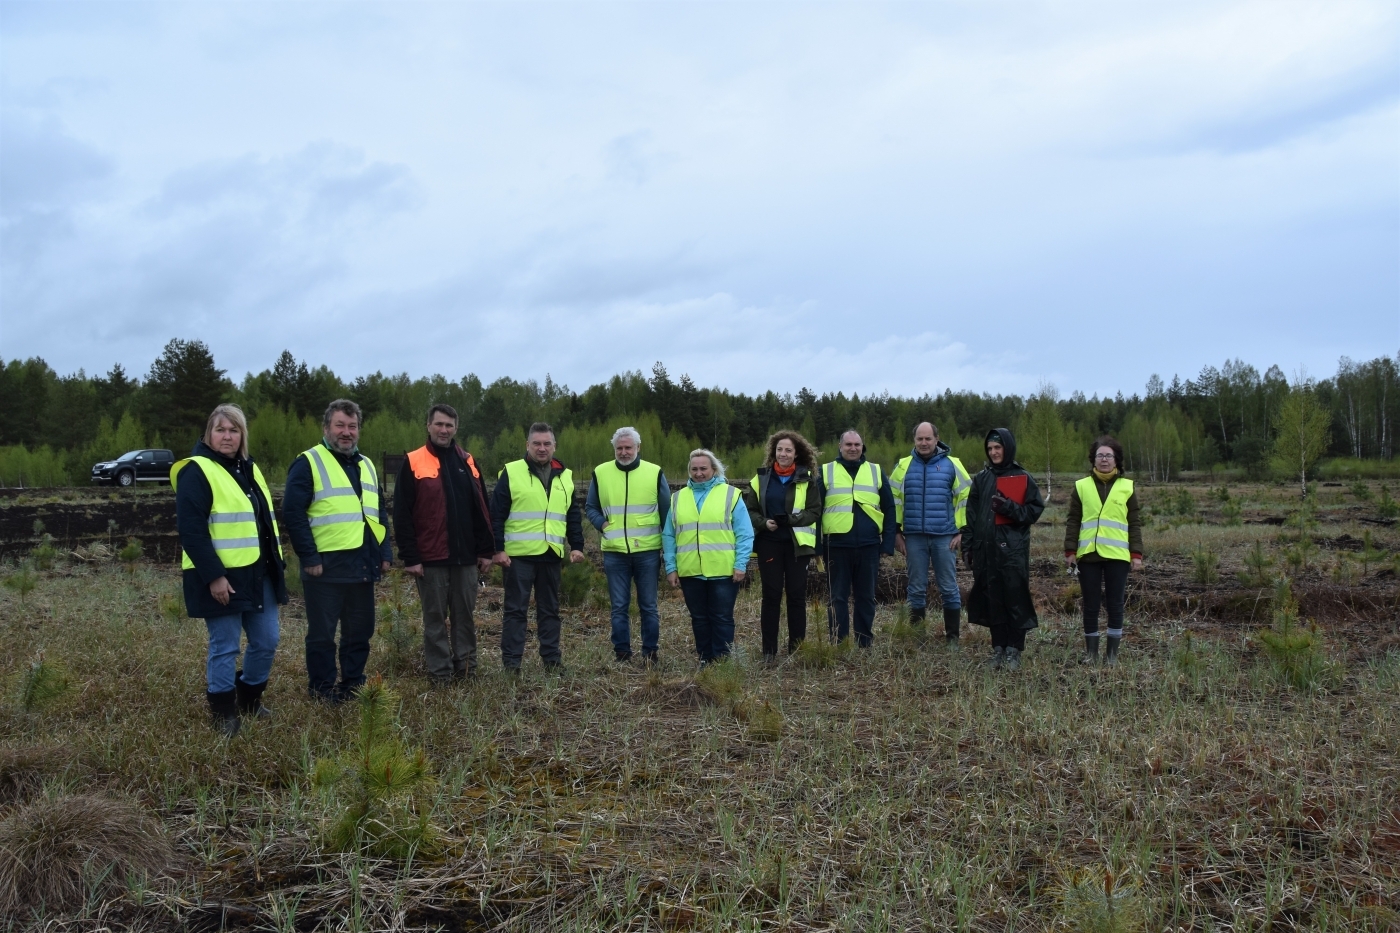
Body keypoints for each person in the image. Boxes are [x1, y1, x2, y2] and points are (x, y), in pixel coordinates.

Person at [173, 404, 286, 736]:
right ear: (209, 433)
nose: (227, 436)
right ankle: (223, 712)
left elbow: (262, 524)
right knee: (225, 645)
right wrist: (215, 576)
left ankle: (249, 698)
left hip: (257, 573)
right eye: (221, 429)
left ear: (242, 436)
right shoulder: (196, 471)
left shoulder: (248, 468)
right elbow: (192, 531)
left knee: (267, 640)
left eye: (234, 430)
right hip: (221, 577)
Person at [283, 399, 394, 703]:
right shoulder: (308, 462)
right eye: (340, 426)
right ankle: (322, 689)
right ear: (326, 428)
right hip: (326, 568)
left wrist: (384, 552)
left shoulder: (366, 464)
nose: (347, 432)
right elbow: (293, 513)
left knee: (360, 632)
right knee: (322, 635)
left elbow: (377, 513)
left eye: (352, 426)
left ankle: (353, 683)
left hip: (362, 565)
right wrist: (309, 557)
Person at [393, 404, 495, 684]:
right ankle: (440, 674)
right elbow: (402, 514)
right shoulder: (413, 461)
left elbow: (482, 508)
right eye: (439, 424)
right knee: (435, 620)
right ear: (428, 426)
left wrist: (486, 551)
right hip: (431, 559)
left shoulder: (468, 461)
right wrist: (410, 557)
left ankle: (466, 670)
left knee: (465, 618)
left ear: (456, 428)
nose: (444, 430)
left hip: (465, 559)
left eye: (449, 425)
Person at [490, 422, 586, 673]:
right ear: (527, 445)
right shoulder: (511, 472)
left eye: (546, 443)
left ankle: (552, 661)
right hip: (518, 557)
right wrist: (497, 549)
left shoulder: (565, 476)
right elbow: (496, 515)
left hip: (551, 554)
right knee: (515, 611)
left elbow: (572, 514)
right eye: (536, 443)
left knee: (550, 611)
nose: (542, 448)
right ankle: (512, 665)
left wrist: (576, 545)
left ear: (555, 446)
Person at [585, 426, 670, 664]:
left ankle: (650, 652)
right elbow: (590, 506)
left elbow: (666, 513)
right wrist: (602, 525)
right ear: (614, 449)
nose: (623, 452)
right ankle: (622, 653)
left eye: (628, 448)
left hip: (648, 552)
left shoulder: (654, 473)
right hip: (615, 553)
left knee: (649, 606)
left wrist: (669, 548)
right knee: (619, 606)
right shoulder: (600, 472)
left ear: (638, 448)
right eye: (619, 448)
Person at [963, 428, 1044, 671]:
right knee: (993, 599)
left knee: (1015, 598)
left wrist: (1008, 507)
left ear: (1007, 448)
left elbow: (1033, 512)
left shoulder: (1022, 477)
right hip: (985, 551)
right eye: (990, 449)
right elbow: (972, 516)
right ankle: (998, 648)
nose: (994, 452)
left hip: (1012, 552)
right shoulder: (981, 478)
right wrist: (968, 546)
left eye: (998, 447)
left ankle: (1014, 650)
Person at [663, 449, 754, 664]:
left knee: (721, 618)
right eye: (694, 469)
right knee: (699, 619)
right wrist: (671, 567)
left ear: (714, 469)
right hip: (690, 570)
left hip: (722, 570)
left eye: (703, 468)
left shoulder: (730, 495)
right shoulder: (677, 498)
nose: (699, 473)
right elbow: (669, 535)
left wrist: (740, 564)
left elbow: (745, 533)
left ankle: (722, 662)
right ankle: (705, 659)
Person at [741, 430, 821, 662]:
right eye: (779, 450)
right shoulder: (760, 479)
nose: (783, 454)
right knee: (771, 595)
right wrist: (764, 523)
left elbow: (815, 511)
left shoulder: (808, 479)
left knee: (796, 596)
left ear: (796, 454)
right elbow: (750, 510)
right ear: (773, 452)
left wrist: (791, 520)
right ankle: (769, 651)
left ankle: (797, 648)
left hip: (798, 547)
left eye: (788, 450)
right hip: (769, 544)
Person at [1064, 435, 1144, 666]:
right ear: (1093, 459)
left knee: (1115, 604)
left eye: (1109, 455)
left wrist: (1136, 554)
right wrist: (1070, 550)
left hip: (1118, 556)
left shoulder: (1126, 487)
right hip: (1088, 555)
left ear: (1116, 459)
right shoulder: (1081, 486)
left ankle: (1111, 657)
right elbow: (1073, 520)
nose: (1104, 460)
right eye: (1100, 455)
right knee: (1090, 604)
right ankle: (1091, 654)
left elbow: (1134, 522)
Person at [891, 422, 972, 646]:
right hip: (914, 537)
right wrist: (895, 532)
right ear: (914, 440)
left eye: (928, 439)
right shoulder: (903, 466)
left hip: (945, 537)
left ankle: (953, 639)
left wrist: (962, 531)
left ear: (937, 439)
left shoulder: (953, 465)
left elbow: (966, 498)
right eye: (920, 439)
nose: (924, 443)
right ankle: (918, 638)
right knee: (916, 587)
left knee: (948, 586)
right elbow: (893, 501)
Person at [817, 430, 897, 648]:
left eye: (857, 444)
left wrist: (888, 543)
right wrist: (816, 546)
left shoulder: (876, 471)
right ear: (840, 446)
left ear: (863, 447)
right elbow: (815, 511)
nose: (853, 448)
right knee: (837, 598)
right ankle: (839, 642)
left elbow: (890, 508)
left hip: (869, 545)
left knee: (866, 597)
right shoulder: (825, 472)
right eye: (848, 444)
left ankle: (864, 642)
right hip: (835, 545)